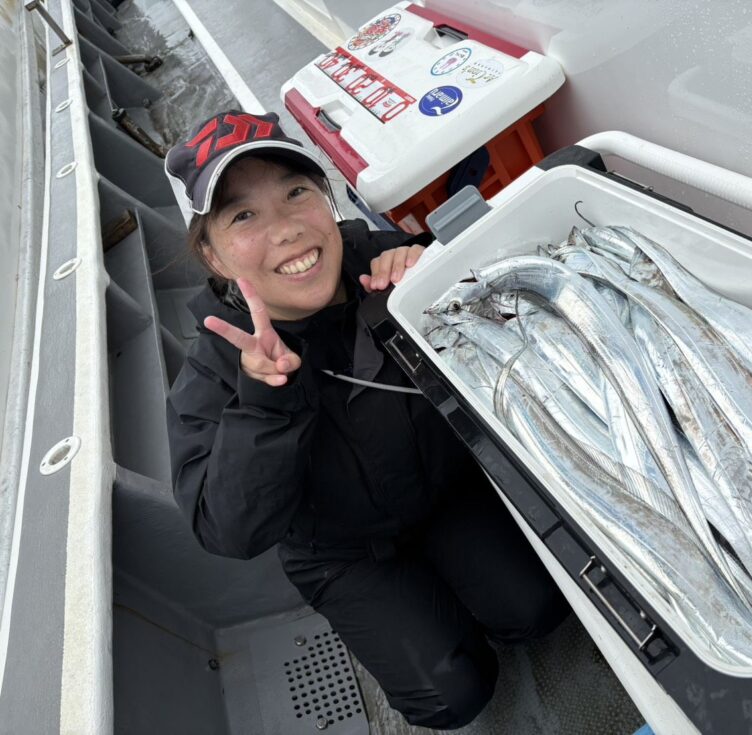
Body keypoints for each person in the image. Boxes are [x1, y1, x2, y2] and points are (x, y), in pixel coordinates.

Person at [164, 111, 569, 729]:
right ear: (213, 257)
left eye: (297, 192)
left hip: (446, 495)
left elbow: (521, 319)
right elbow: (229, 530)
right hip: (343, 553)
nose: (287, 230)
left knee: (538, 611)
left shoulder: (383, 262)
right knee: (449, 697)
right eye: (243, 215)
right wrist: (264, 398)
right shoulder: (213, 369)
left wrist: (437, 278)